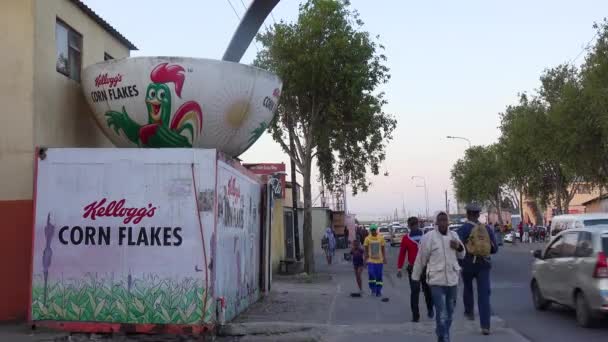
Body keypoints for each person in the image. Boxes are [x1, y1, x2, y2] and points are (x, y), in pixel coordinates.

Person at [412, 212, 465, 342]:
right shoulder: (429, 238)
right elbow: (421, 259)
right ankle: (445, 338)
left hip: (452, 280)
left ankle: (441, 333)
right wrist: (415, 277)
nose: (442, 222)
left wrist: (458, 247)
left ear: (448, 222)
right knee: (441, 313)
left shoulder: (454, 235)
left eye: (444, 220)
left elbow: (462, 255)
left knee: (450, 313)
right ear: (436, 222)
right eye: (440, 220)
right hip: (436, 281)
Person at [458, 203, 498, 335]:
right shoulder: (486, 228)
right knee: (484, 295)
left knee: (468, 288)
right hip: (484, 265)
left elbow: (458, 249)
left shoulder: (463, 229)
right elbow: (494, 249)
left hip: (467, 265)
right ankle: (485, 325)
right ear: (478, 214)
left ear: (467, 214)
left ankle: (469, 312)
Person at [397, 216, 433, 322]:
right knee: (424, 291)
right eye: (413, 224)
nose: (414, 226)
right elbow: (402, 254)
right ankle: (425, 311)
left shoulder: (412, 238)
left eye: (413, 224)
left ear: (408, 225)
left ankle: (418, 315)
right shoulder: (423, 236)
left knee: (417, 292)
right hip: (420, 268)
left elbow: (402, 255)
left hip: (418, 268)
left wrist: (399, 268)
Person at [364, 224, 386, 297]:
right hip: (371, 260)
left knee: (379, 276)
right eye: (372, 230)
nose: (373, 231)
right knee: (371, 274)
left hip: (379, 261)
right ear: (370, 230)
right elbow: (366, 250)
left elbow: (383, 249)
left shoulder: (381, 238)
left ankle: (378, 291)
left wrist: (384, 258)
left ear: (376, 230)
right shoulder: (367, 239)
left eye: (374, 230)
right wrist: (365, 260)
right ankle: (373, 289)